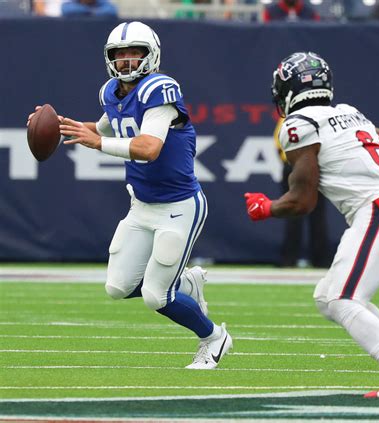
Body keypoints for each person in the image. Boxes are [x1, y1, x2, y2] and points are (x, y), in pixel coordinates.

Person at [29, 21, 232, 369]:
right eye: (119, 54)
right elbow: (102, 128)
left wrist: (99, 143)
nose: (125, 61)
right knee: (117, 287)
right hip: (141, 205)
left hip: (178, 206)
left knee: (156, 295)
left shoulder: (160, 89)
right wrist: (59, 126)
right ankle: (187, 284)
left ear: (150, 55)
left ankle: (214, 338)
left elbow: (149, 148)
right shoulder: (112, 92)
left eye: (134, 53)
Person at [244, 51, 379, 397]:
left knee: (342, 299)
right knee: (327, 296)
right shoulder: (349, 113)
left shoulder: (298, 124)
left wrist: (267, 208)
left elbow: (302, 201)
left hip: (378, 210)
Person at [274, 118, 330, 268]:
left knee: (293, 211)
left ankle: (289, 259)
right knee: (315, 214)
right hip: (314, 165)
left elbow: (278, 144)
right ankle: (320, 260)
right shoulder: (319, 117)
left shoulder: (288, 118)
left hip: (294, 165)